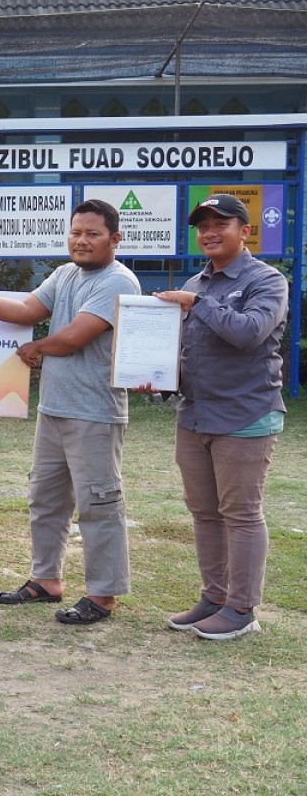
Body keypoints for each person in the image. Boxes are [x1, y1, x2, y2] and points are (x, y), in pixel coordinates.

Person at [0, 199, 141, 625]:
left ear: (115, 239)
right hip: (53, 408)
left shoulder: (119, 281)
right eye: (76, 232)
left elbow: (74, 336)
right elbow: (27, 310)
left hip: (95, 412)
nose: (81, 240)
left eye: (92, 233)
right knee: (46, 500)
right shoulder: (65, 274)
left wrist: (36, 348)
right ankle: (46, 580)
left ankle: (103, 595)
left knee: (98, 502)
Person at [150, 193, 288, 640]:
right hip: (195, 417)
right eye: (202, 225)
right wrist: (157, 376)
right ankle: (214, 597)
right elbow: (188, 350)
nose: (209, 232)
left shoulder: (266, 281)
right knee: (204, 512)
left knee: (241, 513)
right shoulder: (195, 282)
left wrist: (196, 305)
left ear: (245, 231)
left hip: (245, 417)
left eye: (220, 224)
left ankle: (242, 609)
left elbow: (248, 334)